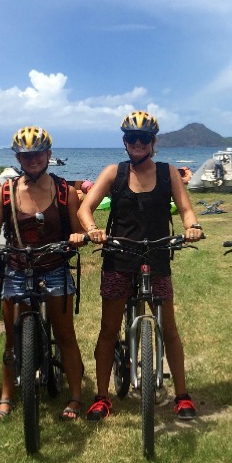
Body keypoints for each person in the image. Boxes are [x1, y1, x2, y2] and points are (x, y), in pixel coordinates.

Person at [77, 111, 205, 422]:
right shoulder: (114, 172)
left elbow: (186, 209)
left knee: (169, 329)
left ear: (152, 141)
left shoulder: (168, 173)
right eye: (132, 137)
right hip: (119, 257)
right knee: (108, 330)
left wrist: (192, 227)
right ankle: (102, 397)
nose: (137, 142)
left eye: (143, 138)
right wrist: (93, 229)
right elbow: (85, 208)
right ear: (124, 141)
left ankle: (182, 395)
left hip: (157, 257)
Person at [0, 127, 87, 421]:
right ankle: (6, 397)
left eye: (38, 154)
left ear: (48, 155)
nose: (32, 159)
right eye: (26, 155)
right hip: (18, 268)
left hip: (55, 267)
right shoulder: (5, 192)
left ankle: (75, 396)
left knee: (66, 336)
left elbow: (78, 230)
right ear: (18, 159)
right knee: (12, 339)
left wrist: (78, 237)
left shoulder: (65, 192)